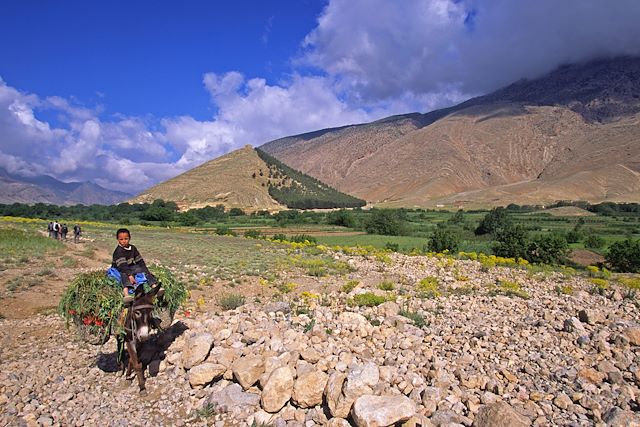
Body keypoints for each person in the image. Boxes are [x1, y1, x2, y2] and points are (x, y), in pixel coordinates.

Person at [112, 228, 163, 303]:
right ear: (118, 239)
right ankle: (126, 294)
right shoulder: (119, 251)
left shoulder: (132, 248)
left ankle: (154, 287)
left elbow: (139, 261)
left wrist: (145, 270)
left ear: (130, 238)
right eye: (121, 239)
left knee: (142, 269)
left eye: (126, 239)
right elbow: (123, 266)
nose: (124, 241)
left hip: (130, 266)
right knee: (123, 274)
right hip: (119, 268)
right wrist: (130, 275)